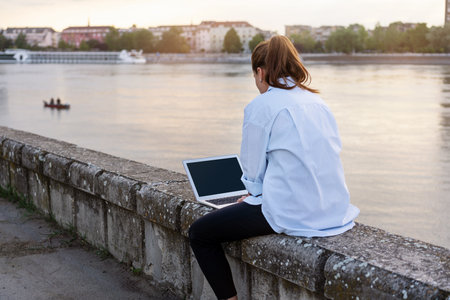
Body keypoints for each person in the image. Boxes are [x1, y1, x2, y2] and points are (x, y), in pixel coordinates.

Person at [188, 35, 359, 300]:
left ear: (260, 72)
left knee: (200, 233)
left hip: (291, 211)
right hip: (334, 211)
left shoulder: (262, 105)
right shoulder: (319, 103)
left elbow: (253, 171)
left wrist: (252, 197)